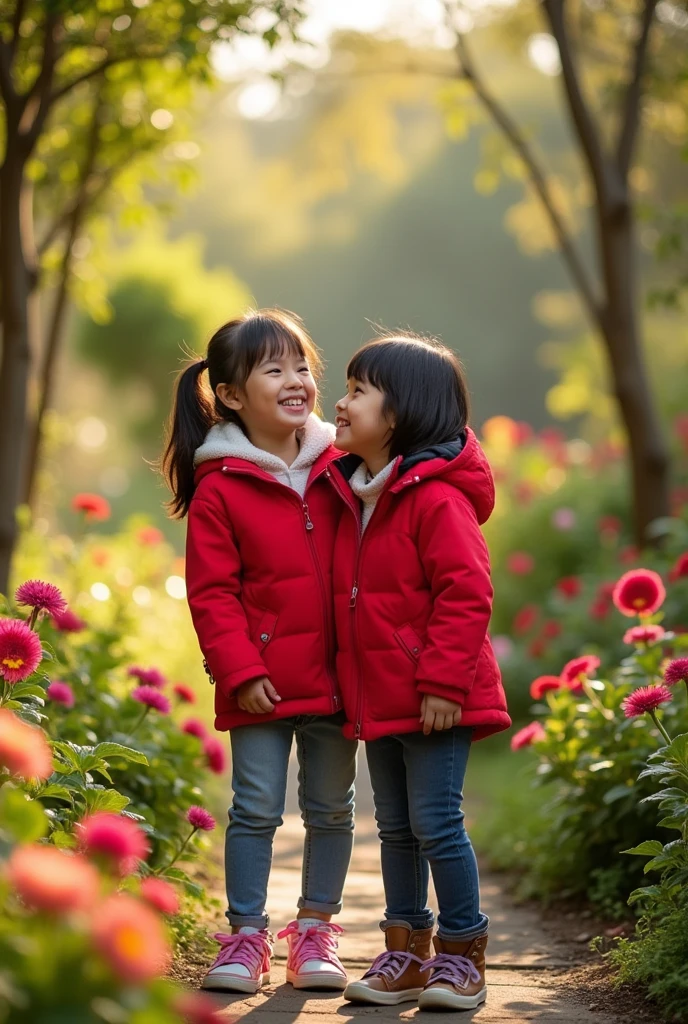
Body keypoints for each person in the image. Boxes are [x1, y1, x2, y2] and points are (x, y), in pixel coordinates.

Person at [162, 309, 356, 994]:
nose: (296, 380)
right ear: (233, 395)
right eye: (274, 369)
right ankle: (245, 936)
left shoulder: (346, 465)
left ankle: (315, 931)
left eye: (301, 365)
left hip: (339, 680)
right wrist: (240, 669)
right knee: (254, 808)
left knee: (333, 808)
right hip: (261, 683)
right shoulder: (221, 487)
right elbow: (213, 593)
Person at [329, 334, 511, 1011]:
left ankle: (463, 955)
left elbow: (466, 592)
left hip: (437, 697)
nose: (340, 405)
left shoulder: (435, 499)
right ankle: (406, 949)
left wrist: (442, 683)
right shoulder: (360, 492)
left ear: (400, 413)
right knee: (396, 828)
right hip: (380, 697)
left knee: (436, 821)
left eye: (356, 392)